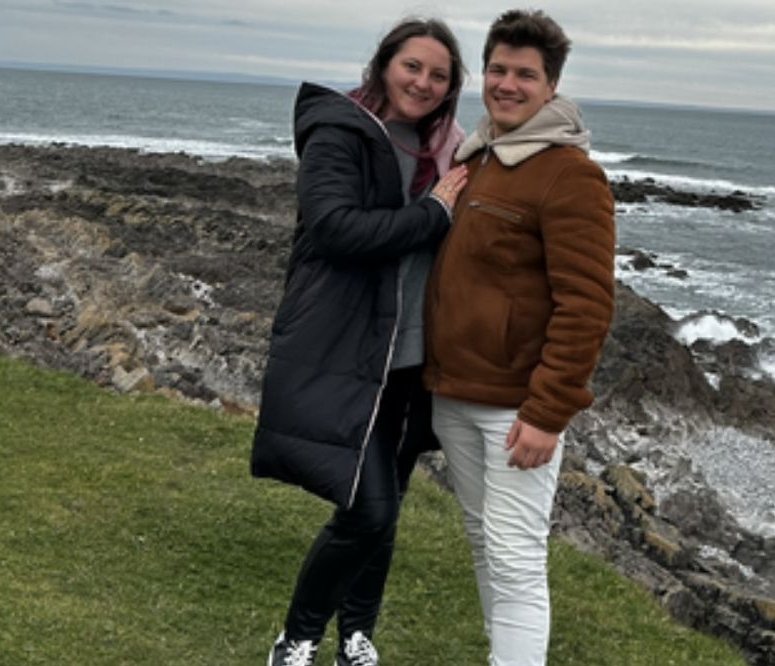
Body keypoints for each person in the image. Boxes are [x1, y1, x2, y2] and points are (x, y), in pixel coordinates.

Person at [249, 17, 468, 666]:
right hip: (349, 349)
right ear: (383, 64)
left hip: (413, 358)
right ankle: (297, 638)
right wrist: (434, 212)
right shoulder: (341, 132)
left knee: (386, 506)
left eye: (439, 75)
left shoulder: (451, 149)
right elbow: (335, 228)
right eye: (412, 67)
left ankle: (356, 635)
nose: (423, 83)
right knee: (367, 510)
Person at [424, 9, 615, 666]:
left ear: (551, 86)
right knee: (485, 543)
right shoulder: (479, 156)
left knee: (516, 562)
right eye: (498, 70)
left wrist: (547, 412)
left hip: (515, 410)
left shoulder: (569, 174)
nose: (507, 84)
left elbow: (586, 304)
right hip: (454, 393)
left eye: (525, 75)